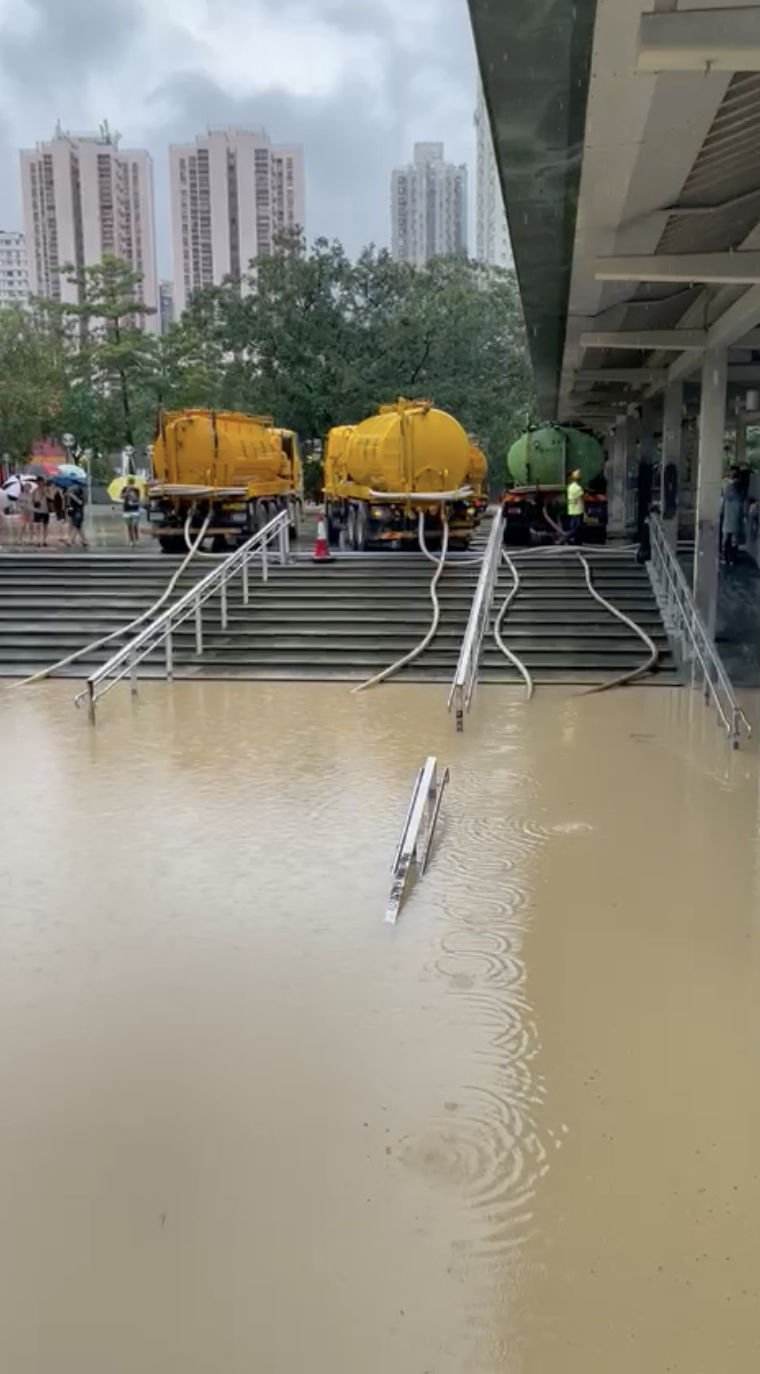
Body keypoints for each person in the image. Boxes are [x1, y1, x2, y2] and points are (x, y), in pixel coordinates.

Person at [721, 466, 745, 567]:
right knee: (734, 540)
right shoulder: (741, 488)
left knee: (726, 540)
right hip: (736, 517)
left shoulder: (728, 488)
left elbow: (723, 505)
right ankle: (733, 559)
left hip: (728, 515)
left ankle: (727, 559)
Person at [65, 482, 88, 548]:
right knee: (79, 527)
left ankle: (71, 540)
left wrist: (72, 496)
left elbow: (80, 502)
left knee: (75, 526)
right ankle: (84, 540)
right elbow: (70, 505)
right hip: (73, 512)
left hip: (78, 513)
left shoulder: (80, 496)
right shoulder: (71, 496)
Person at [566, 468, 585, 544]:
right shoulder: (578, 488)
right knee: (577, 529)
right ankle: (565, 537)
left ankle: (577, 542)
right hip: (578, 510)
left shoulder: (570, 487)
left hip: (571, 510)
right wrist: (586, 512)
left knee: (575, 528)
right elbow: (582, 499)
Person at [122, 476, 141, 546]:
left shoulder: (136, 490)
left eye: (132, 483)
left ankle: (137, 538)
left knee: (135, 525)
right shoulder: (124, 489)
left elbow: (138, 498)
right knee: (129, 526)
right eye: (129, 483)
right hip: (127, 510)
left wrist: (133, 497)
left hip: (135, 509)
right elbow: (121, 496)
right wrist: (127, 491)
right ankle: (131, 540)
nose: (130, 484)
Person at [32, 478, 51, 547]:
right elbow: (32, 500)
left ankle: (45, 540)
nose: (40, 483)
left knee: (45, 526)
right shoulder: (34, 491)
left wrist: (45, 494)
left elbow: (51, 498)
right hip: (38, 510)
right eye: (38, 482)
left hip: (45, 510)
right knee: (38, 526)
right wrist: (35, 502)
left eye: (41, 482)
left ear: (43, 482)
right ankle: (38, 541)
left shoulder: (47, 489)